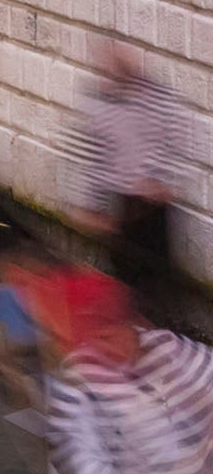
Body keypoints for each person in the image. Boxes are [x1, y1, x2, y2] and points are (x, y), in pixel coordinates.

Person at [46, 268, 213, 474]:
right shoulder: (77, 377)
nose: (102, 350)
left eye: (108, 336)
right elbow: (75, 454)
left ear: (130, 323)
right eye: (92, 340)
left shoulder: (171, 348)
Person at [67, 42, 191, 289]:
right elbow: (96, 160)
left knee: (155, 272)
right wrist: (92, 207)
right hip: (122, 202)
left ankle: (153, 314)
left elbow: (174, 139)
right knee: (125, 273)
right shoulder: (99, 106)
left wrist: (157, 178)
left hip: (151, 205)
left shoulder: (155, 98)